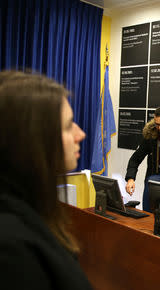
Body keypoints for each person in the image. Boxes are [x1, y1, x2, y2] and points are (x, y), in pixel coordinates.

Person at [0, 71, 91, 289]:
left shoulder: (30, 208)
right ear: (33, 138)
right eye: (69, 125)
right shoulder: (10, 247)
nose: (81, 134)